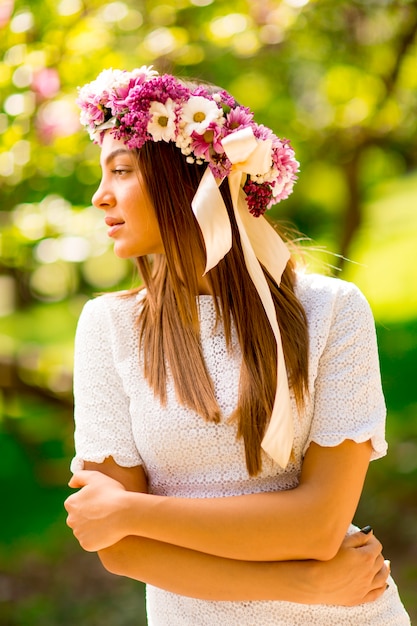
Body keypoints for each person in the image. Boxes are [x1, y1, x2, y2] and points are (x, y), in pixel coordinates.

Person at [64, 67, 411, 624]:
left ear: (188, 178)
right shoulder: (107, 326)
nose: (100, 196)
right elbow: (118, 546)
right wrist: (303, 582)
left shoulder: (332, 310)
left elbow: (319, 525)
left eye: (121, 171)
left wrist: (132, 509)